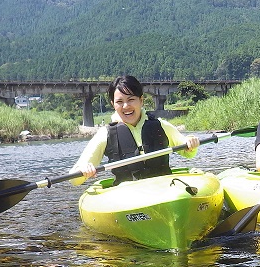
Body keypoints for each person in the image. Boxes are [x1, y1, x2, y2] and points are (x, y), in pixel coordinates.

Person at [70, 75, 200, 185]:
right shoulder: (105, 134)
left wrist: (190, 142)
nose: (126, 106)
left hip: (163, 188)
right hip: (128, 196)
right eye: (120, 101)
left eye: (131, 99)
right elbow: (74, 179)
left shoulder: (161, 125)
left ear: (141, 100)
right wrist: (83, 170)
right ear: (113, 104)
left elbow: (189, 153)